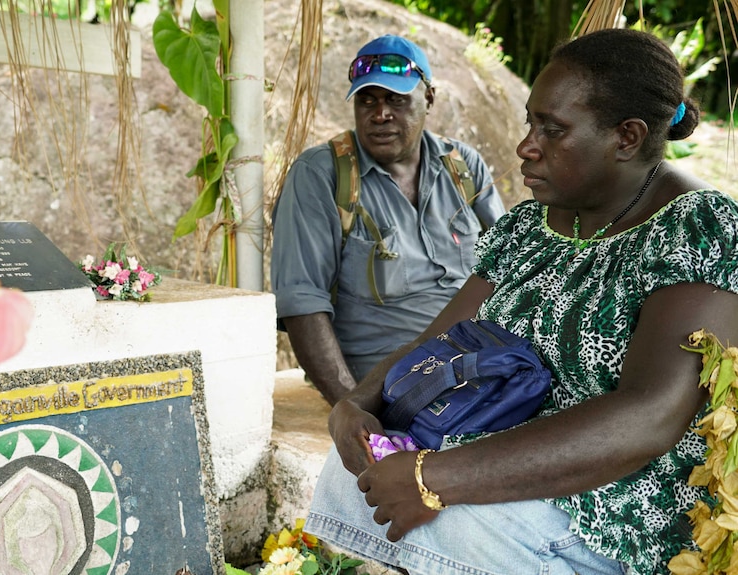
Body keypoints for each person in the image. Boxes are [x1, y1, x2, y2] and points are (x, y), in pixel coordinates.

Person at [303, 28, 738, 575]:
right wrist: (357, 405)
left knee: (447, 519)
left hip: (609, 515)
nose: (526, 145)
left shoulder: (697, 228)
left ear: (627, 137)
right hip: (499, 464)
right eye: (531, 122)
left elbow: (649, 416)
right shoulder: (529, 227)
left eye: (552, 130)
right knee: (353, 470)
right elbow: (437, 342)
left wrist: (435, 480)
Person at [271, 35, 507, 405]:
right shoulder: (322, 175)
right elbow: (302, 303)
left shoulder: (463, 166)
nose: (380, 114)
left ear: (428, 98)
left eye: (396, 100)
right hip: (391, 381)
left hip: (480, 363)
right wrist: (352, 409)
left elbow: (509, 266)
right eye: (367, 100)